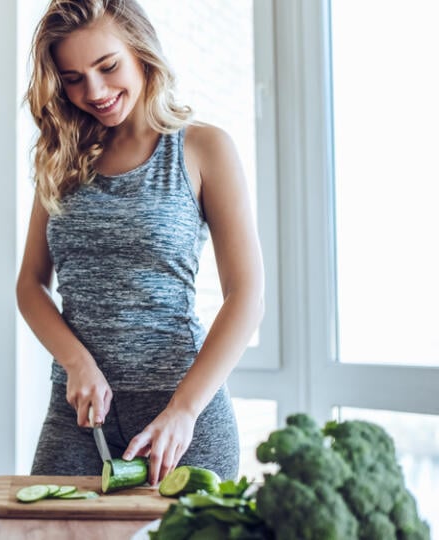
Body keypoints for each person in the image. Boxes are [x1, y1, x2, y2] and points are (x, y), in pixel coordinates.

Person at [17, 0, 265, 485]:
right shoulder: (60, 158)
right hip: (79, 415)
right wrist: (76, 362)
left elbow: (247, 296)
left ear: (141, 51)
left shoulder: (203, 148)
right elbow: (30, 285)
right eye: (72, 77)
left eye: (108, 66)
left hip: (181, 413)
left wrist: (185, 410)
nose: (95, 91)